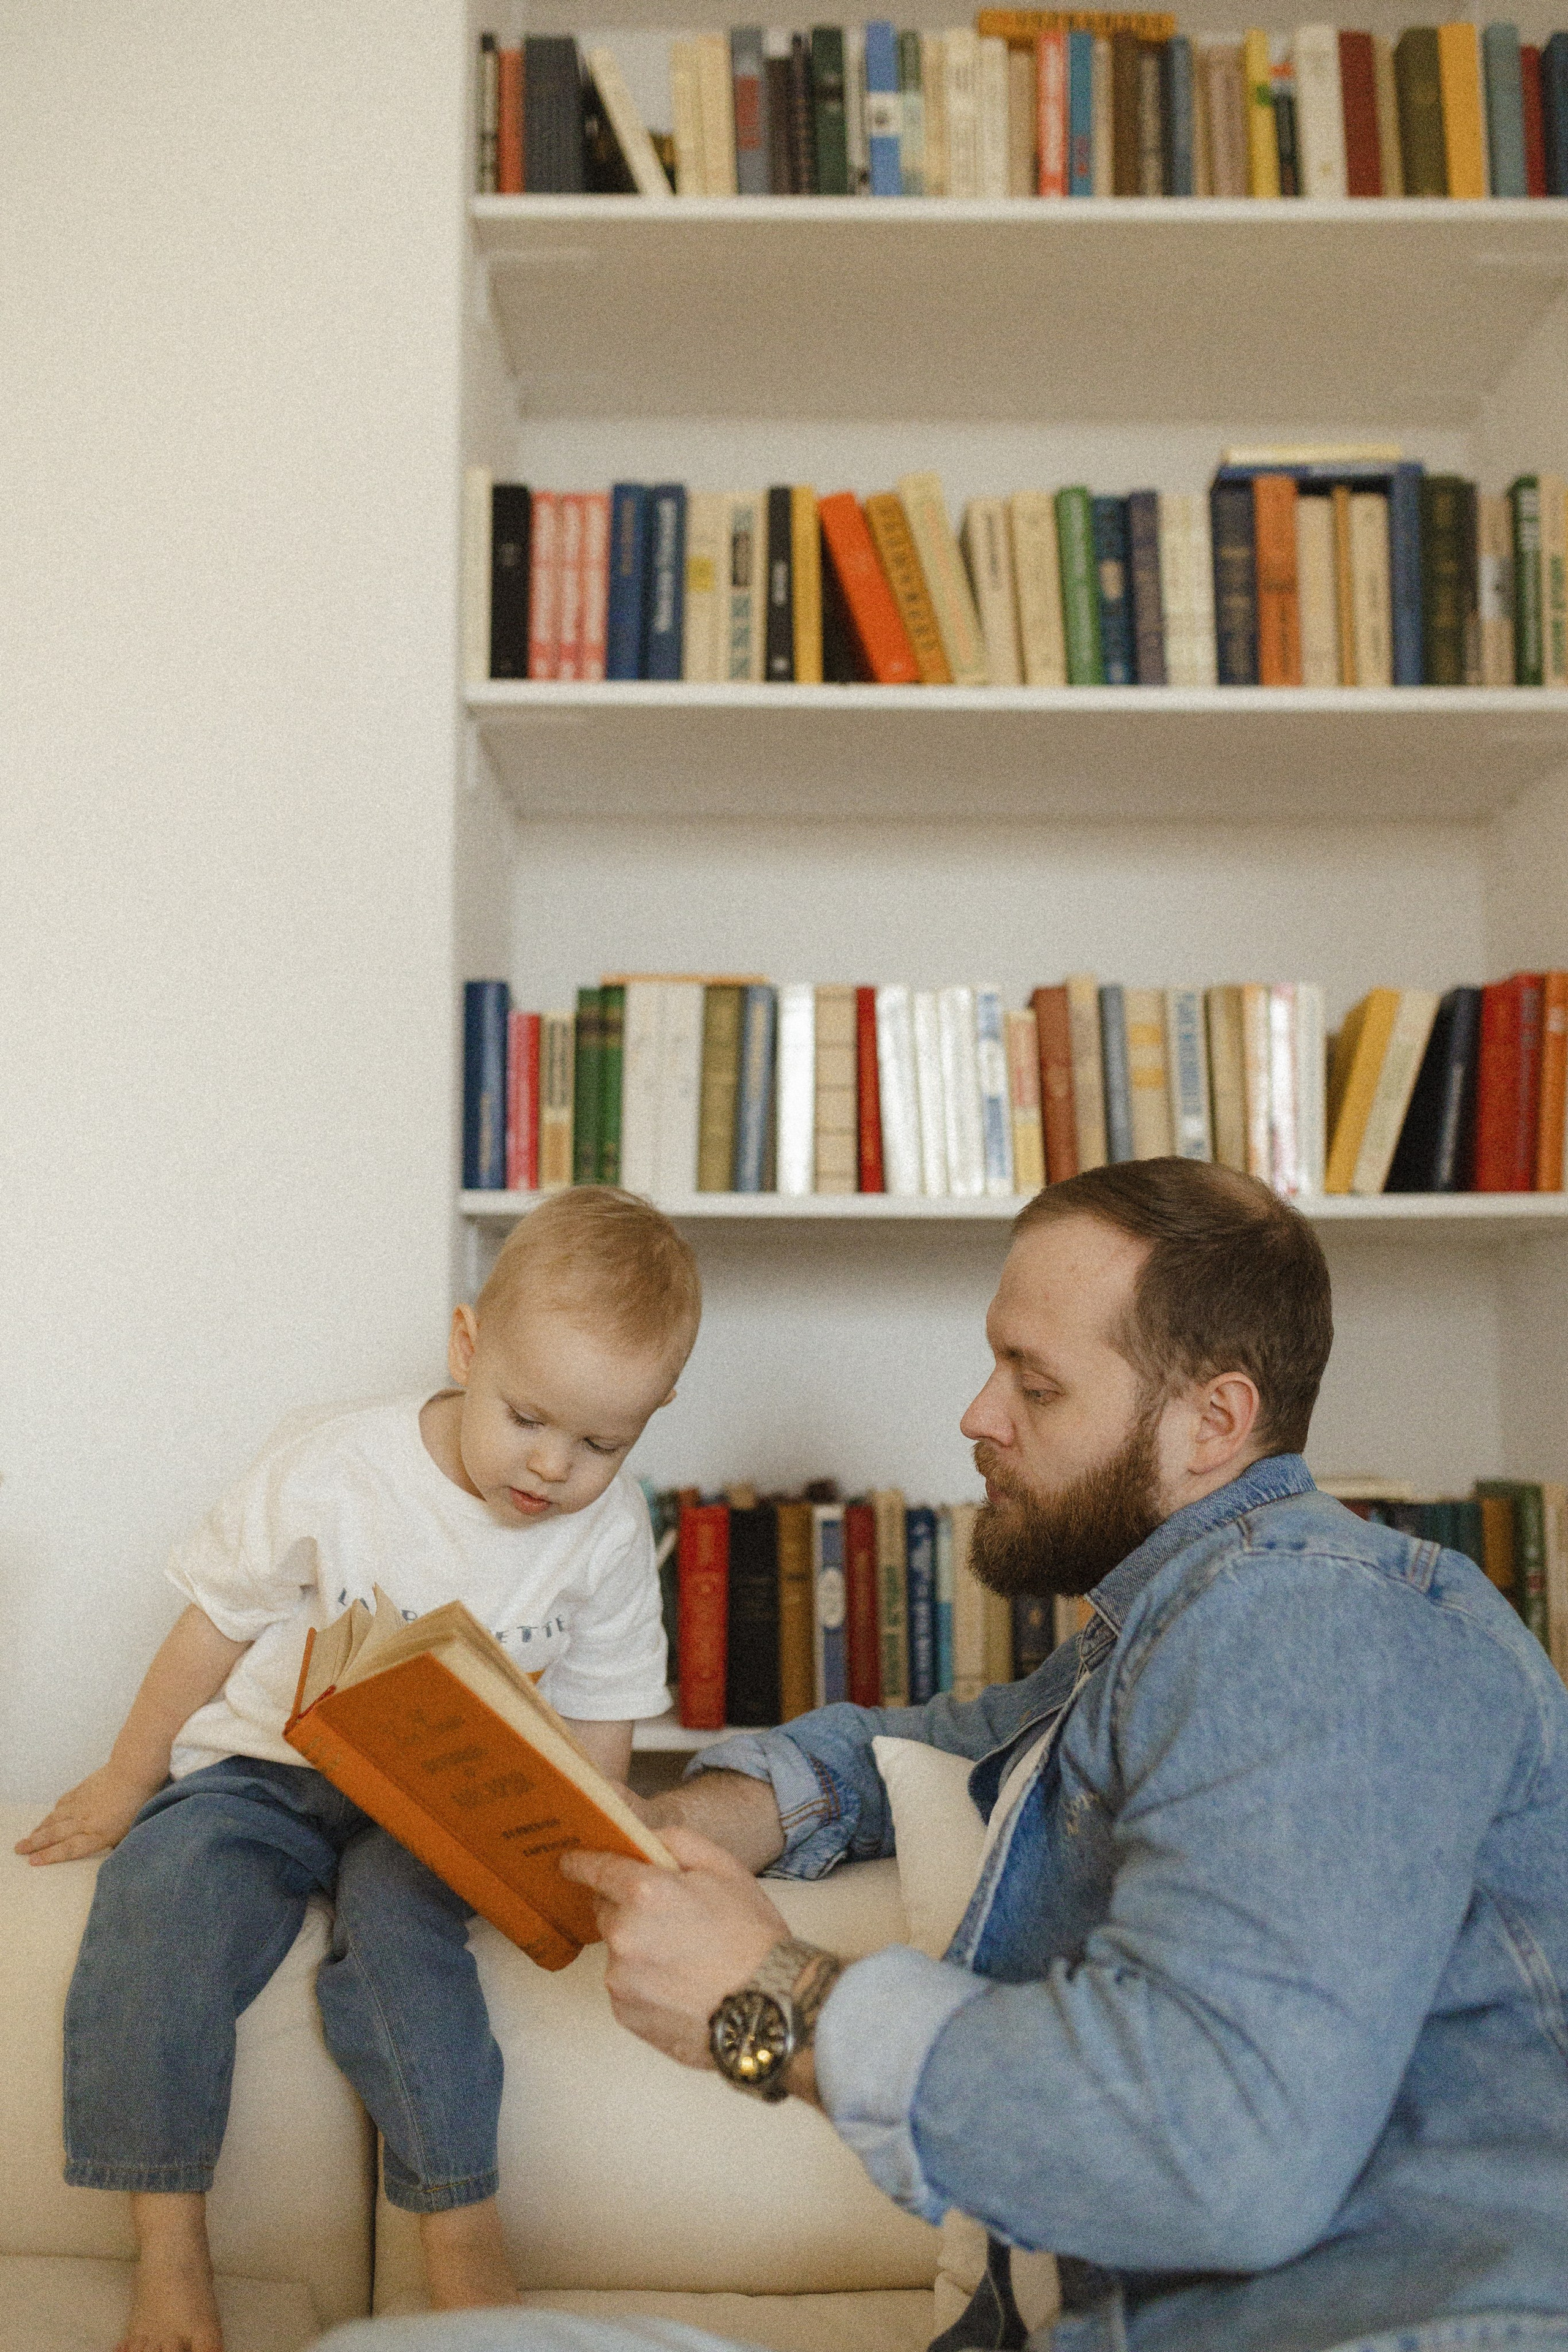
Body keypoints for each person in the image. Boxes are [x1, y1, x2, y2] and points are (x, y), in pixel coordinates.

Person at [319, 1159, 1568, 2352]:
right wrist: (704, 1820)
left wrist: (773, 2002)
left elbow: (1219, 2150)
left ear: (1214, 1420)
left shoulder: (1316, 1620)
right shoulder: (1150, 1648)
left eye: (1034, 1385)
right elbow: (909, 1750)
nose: (976, 1416)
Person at [18, 1186, 701, 2352]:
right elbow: (211, 1629)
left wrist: (566, 1859)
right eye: (528, 1417)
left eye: (603, 1443)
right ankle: (171, 2249)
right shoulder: (334, 1460)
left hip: (431, 1808)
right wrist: (128, 1779)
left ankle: (460, 2223)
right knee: (162, 1899)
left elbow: (599, 1720)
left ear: (650, 1420)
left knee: (404, 1937)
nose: (552, 1466)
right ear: (465, 1346)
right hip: (265, 1771)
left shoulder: (608, 1531)